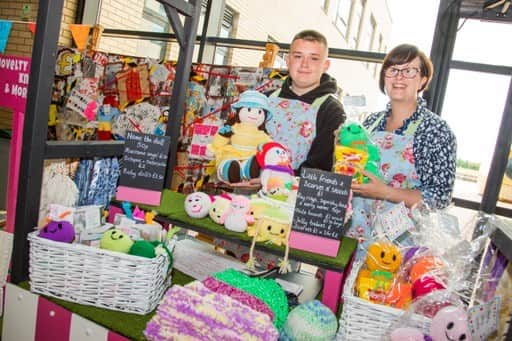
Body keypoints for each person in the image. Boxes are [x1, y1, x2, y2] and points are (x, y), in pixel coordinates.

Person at [346, 44, 457, 251]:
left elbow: (439, 198)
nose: (399, 77)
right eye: (393, 70)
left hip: (399, 246)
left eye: (408, 71)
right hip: (355, 235)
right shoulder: (370, 123)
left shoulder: (435, 131)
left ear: (423, 79)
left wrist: (384, 192)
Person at [266, 29, 346, 174]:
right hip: (247, 192)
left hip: (296, 194)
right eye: (298, 56)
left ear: (325, 65)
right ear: (288, 61)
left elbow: (319, 167)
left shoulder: (332, 110)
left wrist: (273, 179)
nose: (304, 64)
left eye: (314, 58)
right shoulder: (265, 99)